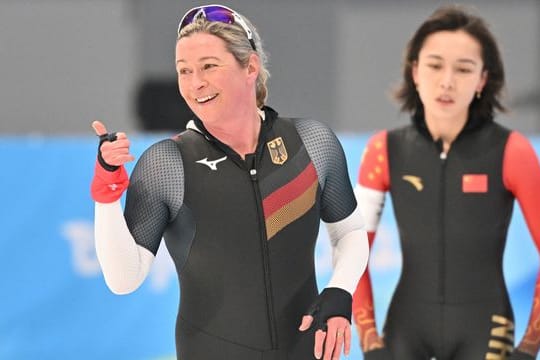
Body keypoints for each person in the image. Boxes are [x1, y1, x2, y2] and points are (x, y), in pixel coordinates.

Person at [90, 4, 369, 360]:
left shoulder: (310, 142)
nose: (196, 83)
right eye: (184, 71)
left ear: (250, 66)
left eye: (209, 66)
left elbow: (349, 231)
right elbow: (123, 279)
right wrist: (106, 192)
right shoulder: (169, 163)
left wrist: (341, 290)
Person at [352, 5, 540, 360]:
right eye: (435, 65)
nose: (447, 81)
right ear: (415, 72)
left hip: (486, 327)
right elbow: (354, 252)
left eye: (464, 69)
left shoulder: (514, 152)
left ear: (483, 79)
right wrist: (370, 342)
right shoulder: (383, 151)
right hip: (406, 328)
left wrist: (529, 347)